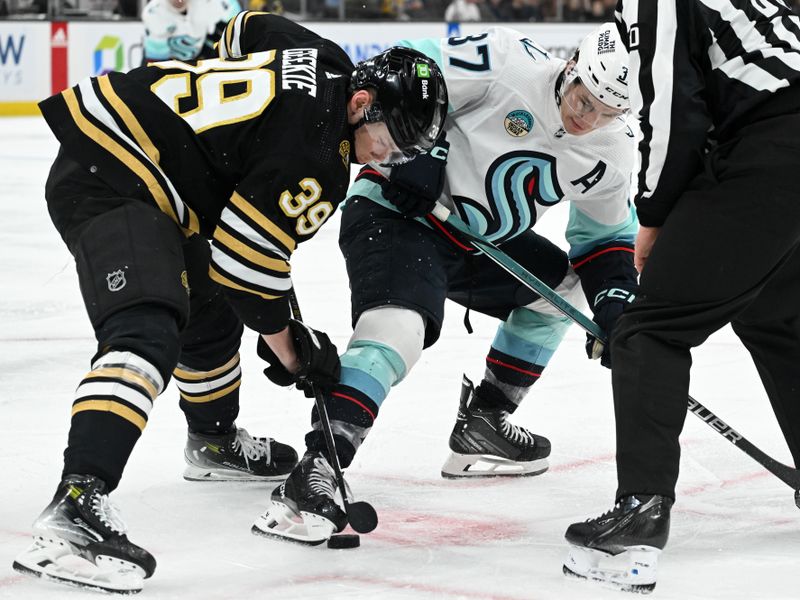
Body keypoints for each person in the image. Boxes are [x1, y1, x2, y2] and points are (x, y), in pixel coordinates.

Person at [11, 12, 447, 593]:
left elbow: (244, 27)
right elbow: (249, 268)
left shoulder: (324, 56)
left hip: (135, 145)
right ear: (361, 102)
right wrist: (294, 353)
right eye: (389, 143)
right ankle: (77, 504)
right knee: (147, 329)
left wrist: (211, 133)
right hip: (114, 177)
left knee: (208, 303)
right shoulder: (318, 160)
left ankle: (212, 439)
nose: (385, 161)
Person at [252, 23, 638, 545]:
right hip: (396, 211)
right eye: (581, 97)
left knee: (566, 293)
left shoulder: (613, 155)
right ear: (571, 68)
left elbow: (604, 243)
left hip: (473, 242)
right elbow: (411, 69)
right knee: (399, 331)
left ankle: (486, 420)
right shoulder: (508, 62)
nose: (585, 116)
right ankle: (320, 464)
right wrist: (425, 156)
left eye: (604, 111)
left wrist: (615, 308)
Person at [563, 1, 800, 594]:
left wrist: (654, 215)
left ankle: (642, 507)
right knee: (776, 317)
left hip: (775, 149)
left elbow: (675, 115)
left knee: (649, 331)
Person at [141, 0, 241, 63]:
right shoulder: (153, 13)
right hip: (173, 59)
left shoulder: (220, 3)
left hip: (205, 48)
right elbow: (155, 61)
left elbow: (238, 30)